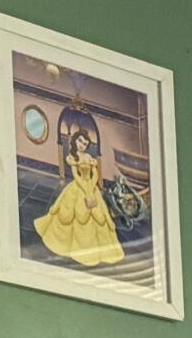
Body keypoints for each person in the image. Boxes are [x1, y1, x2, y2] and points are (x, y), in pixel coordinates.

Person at [32, 101, 127, 269]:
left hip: (90, 186)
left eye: (85, 143)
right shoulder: (72, 158)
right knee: (71, 214)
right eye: (80, 142)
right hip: (78, 187)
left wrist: (92, 187)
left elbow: (95, 173)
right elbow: (76, 175)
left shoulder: (89, 158)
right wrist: (86, 190)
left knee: (99, 217)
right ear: (75, 142)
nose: (82, 145)